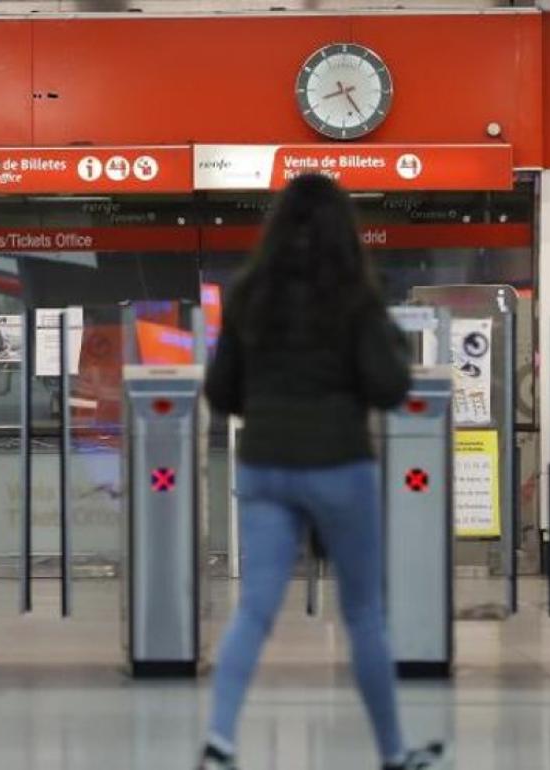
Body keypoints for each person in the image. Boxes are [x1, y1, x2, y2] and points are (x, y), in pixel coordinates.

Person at [197, 174, 445, 770]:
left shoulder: (248, 293)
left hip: (264, 470)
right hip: (339, 466)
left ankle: (220, 741)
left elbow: (220, 389)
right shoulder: (354, 296)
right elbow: (388, 387)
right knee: (362, 615)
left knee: (255, 608)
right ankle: (392, 752)